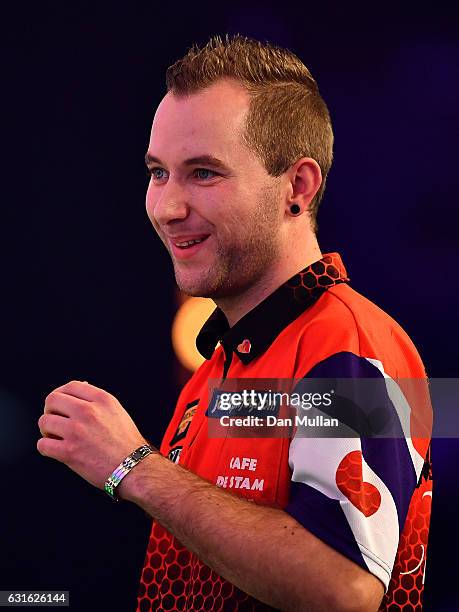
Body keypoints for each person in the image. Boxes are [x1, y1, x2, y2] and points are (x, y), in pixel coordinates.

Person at [37, 35, 433, 611]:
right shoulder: (220, 369)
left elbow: (343, 589)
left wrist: (134, 467)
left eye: (203, 173)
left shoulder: (349, 342)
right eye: (157, 173)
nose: (166, 207)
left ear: (297, 186)